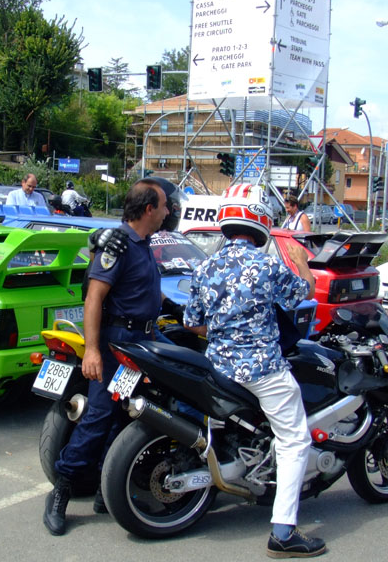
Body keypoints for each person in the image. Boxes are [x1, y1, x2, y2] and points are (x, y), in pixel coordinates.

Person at [183, 185, 326, 559]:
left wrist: (224, 328)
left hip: (218, 368)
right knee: (296, 441)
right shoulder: (266, 264)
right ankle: (283, 530)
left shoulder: (204, 267)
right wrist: (304, 265)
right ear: (260, 221)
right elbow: (302, 296)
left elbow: (194, 324)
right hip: (263, 370)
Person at [43, 178, 172, 536]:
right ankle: (61, 491)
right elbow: (94, 299)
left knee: (124, 412)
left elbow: (142, 290)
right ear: (148, 209)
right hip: (119, 344)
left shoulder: (142, 243)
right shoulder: (117, 244)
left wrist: (176, 310)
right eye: (163, 206)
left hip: (142, 340)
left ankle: (106, 488)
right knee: (99, 416)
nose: (167, 212)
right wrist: (94, 351)